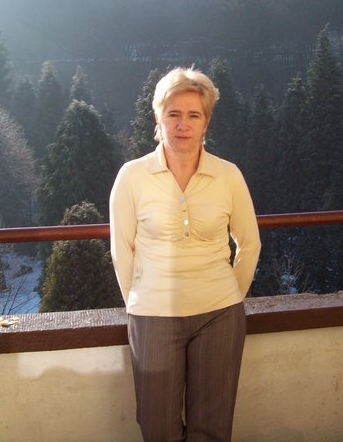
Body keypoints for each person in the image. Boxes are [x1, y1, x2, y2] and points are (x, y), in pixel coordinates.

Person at [109, 66, 261, 442]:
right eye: (173, 114)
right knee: (157, 427)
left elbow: (249, 243)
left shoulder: (228, 176)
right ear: (158, 118)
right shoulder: (132, 177)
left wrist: (229, 295)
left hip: (220, 316)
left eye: (194, 115)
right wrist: (141, 302)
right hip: (153, 316)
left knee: (212, 429)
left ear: (206, 122)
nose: (183, 124)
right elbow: (121, 249)